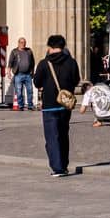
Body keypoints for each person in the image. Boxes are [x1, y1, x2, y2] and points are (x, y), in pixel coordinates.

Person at [32, 35, 81, 178]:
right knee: (63, 135)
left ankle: (57, 168)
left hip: (49, 105)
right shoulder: (71, 62)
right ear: (63, 46)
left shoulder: (44, 63)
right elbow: (76, 79)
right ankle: (64, 165)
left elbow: (37, 83)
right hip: (65, 105)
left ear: (49, 47)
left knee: (52, 137)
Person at [6, 37, 36, 111]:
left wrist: (33, 71)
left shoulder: (29, 51)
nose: (23, 44)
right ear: (18, 43)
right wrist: (8, 72)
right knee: (19, 91)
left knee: (30, 91)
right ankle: (21, 106)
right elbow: (10, 63)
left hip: (28, 74)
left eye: (24, 42)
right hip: (18, 74)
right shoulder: (14, 52)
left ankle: (30, 105)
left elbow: (32, 62)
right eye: (22, 42)